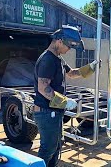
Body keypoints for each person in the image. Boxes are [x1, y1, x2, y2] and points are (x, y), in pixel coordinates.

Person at [33, 25, 98, 166]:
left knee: (55, 148)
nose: (69, 50)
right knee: (48, 149)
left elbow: (72, 73)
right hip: (46, 112)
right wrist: (65, 102)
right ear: (59, 41)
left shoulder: (58, 59)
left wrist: (90, 68)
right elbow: (43, 88)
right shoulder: (47, 60)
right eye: (69, 46)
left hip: (53, 112)